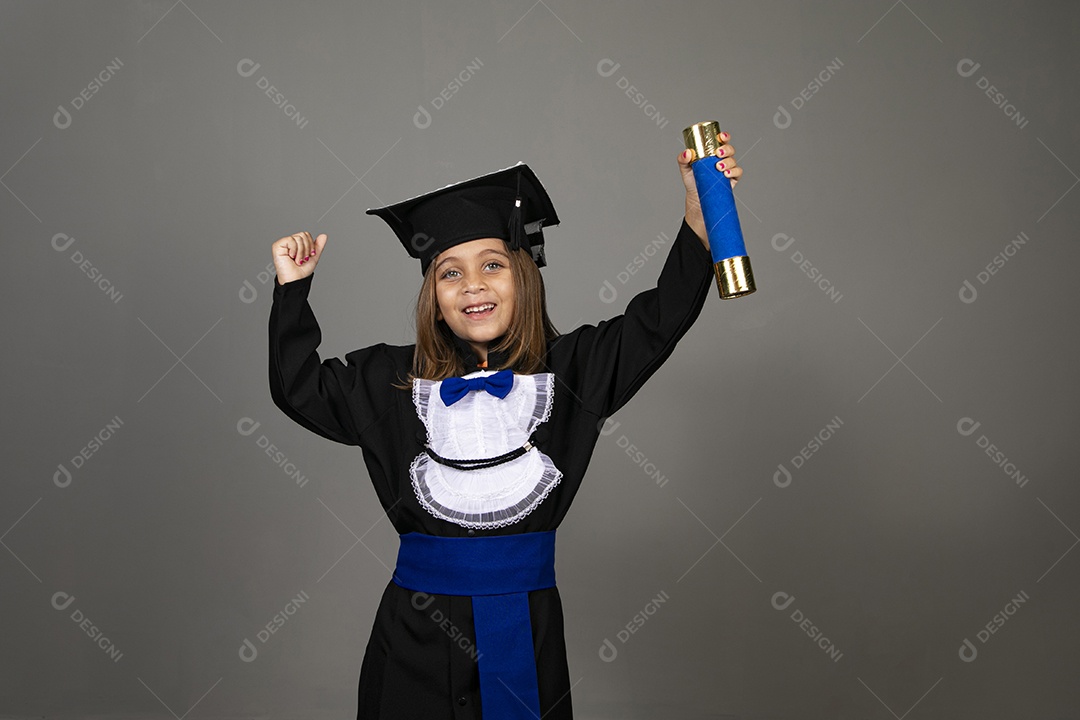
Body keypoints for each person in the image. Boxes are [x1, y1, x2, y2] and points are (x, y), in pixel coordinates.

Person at [268, 137, 743, 720]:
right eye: (450, 273)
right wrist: (293, 290)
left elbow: (657, 321)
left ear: (523, 275)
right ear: (432, 296)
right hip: (413, 637)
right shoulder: (388, 381)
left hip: (525, 628)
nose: (473, 286)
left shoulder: (571, 372)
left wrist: (702, 217)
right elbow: (299, 388)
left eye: (492, 265)